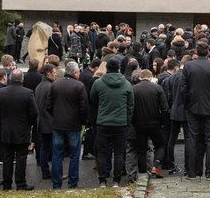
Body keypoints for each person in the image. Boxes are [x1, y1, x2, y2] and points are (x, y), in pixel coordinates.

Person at [178, 43, 210, 180]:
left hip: (193, 107)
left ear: (197, 52)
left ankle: (193, 172)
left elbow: (183, 89)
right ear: (208, 52)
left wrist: (186, 104)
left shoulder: (188, 66)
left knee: (193, 139)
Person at [0, 69, 37, 191]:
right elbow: (34, 113)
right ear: (22, 79)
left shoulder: (0, 92)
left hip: (6, 130)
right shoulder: (28, 93)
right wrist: (28, 124)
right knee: (21, 157)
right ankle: (20, 183)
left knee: (7, 158)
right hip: (22, 129)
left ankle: (7, 184)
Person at [90, 58, 135, 186]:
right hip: (120, 123)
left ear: (107, 68)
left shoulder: (98, 83)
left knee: (102, 151)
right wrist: (127, 121)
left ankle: (102, 179)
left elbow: (93, 100)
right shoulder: (126, 84)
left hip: (103, 122)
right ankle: (116, 180)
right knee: (120, 152)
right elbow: (131, 105)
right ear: (119, 68)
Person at [47, 60, 88, 189]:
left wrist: (55, 116)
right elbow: (84, 108)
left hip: (58, 124)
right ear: (75, 72)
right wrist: (83, 122)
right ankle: (72, 182)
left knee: (57, 155)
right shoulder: (79, 86)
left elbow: (48, 105)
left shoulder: (55, 84)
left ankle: (56, 184)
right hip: (73, 125)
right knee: (74, 155)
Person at [132, 69, 168, 179]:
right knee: (160, 145)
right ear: (151, 77)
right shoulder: (157, 88)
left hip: (139, 124)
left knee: (141, 149)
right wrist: (162, 121)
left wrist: (133, 121)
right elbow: (165, 108)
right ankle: (155, 166)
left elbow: (130, 107)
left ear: (140, 77)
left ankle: (143, 173)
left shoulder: (134, 89)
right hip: (155, 123)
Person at [160, 59, 186, 175]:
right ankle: (188, 166)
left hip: (174, 111)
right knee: (189, 139)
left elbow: (169, 96)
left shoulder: (171, 78)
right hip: (185, 112)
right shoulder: (186, 77)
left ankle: (170, 164)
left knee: (172, 139)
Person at [33, 63, 57, 181]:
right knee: (55, 149)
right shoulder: (51, 86)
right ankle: (55, 173)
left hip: (41, 121)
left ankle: (45, 172)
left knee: (44, 148)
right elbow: (52, 106)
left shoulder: (39, 86)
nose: (55, 74)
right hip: (50, 122)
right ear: (48, 73)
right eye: (54, 72)